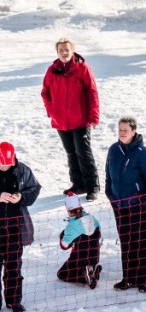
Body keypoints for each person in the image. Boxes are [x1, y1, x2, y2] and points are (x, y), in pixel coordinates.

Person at [41, 37, 100, 201]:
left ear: (72, 50)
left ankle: (92, 186)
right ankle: (78, 184)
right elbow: (45, 92)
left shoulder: (82, 68)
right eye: (61, 50)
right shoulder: (52, 70)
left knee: (83, 152)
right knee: (71, 153)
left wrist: (94, 115)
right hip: (61, 121)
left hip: (80, 120)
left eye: (67, 49)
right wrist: (51, 111)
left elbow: (92, 92)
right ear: (57, 52)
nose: (64, 53)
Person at [105, 116, 146, 292]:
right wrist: (110, 195)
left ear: (134, 131)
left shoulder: (143, 153)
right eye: (120, 130)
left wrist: (145, 204)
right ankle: (128, 277)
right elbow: (108, 174)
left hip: (138, 206)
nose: (122, 133)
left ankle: (144, 279)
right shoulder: (113, 150)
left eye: (125, 130)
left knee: (139, 241)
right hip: (119, 205)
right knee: (125, 241)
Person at [0, 141, 41, 312]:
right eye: (2, 162)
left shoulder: (23, 170)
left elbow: (34, 188)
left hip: (15, 228)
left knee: (14, 267)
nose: (5, 166)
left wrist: (21, 197)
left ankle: (14, 301)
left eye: (8, 162)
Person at [57, 190, 102, 289]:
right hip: (95, 257)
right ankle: (94, 270)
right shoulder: (92, 218)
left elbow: (64, 246)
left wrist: (62, 235)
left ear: (68, 210)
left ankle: (85, 277)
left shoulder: (71, 226)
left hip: (78, 259)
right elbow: (99, 234)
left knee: (61, 274)